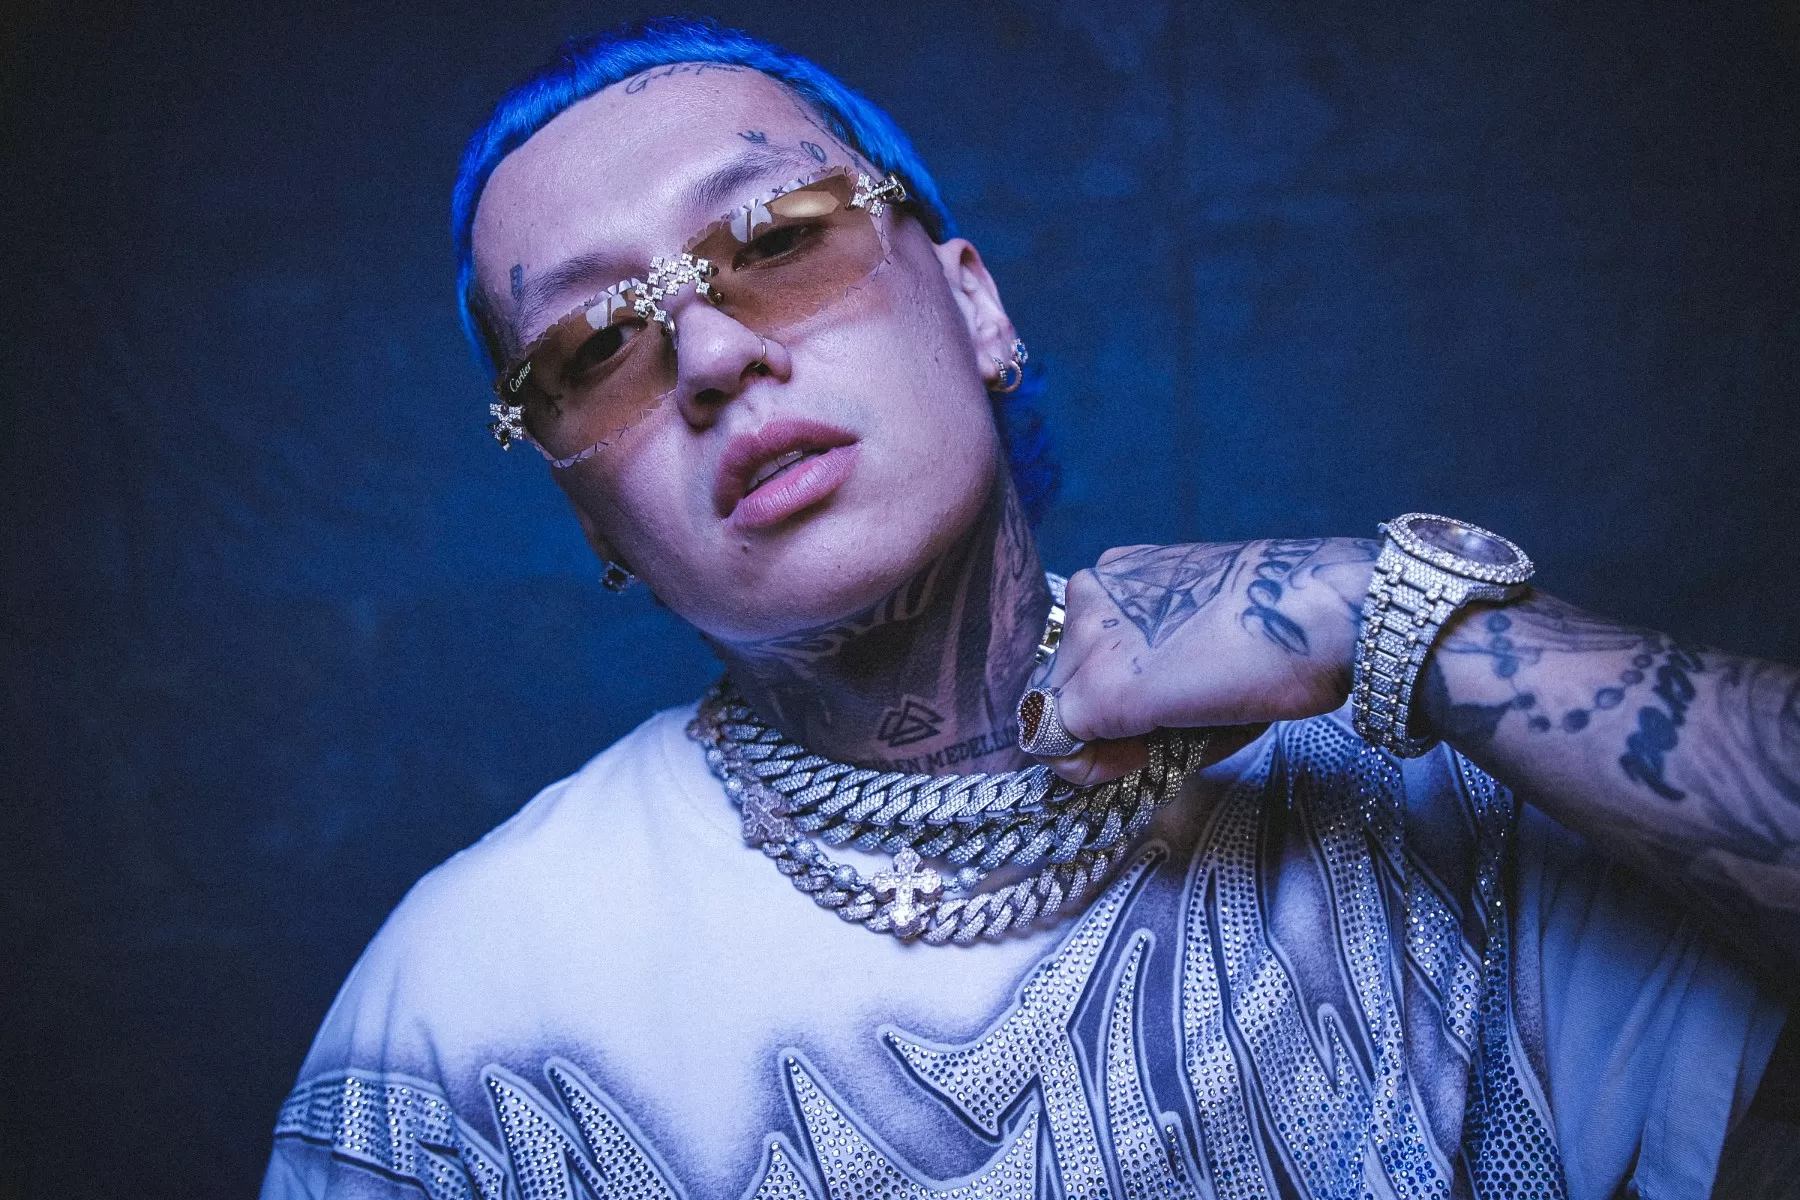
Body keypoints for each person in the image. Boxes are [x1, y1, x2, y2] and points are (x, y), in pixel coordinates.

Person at [260, 17, 1798, 1200]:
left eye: (780, 239)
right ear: (587, 508)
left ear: (977, 304)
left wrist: (1398, 616)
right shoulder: (466, 1013)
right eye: (596, 348)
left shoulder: (1428, 795)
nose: (714, 356)